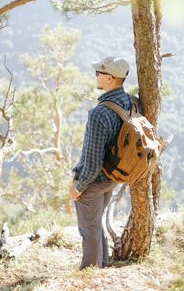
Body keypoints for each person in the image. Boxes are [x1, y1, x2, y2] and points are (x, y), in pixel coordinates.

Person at [70, 56, 132, 270]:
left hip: (95, 180)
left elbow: (93, 162)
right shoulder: (129, 102)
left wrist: (78, 188)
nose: (95, 75)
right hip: (114, 176)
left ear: (110, 78)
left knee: (89, 229)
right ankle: (102, 265)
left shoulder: (99, 114)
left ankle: (89, 272)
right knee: (95, 224)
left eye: (98, 73)